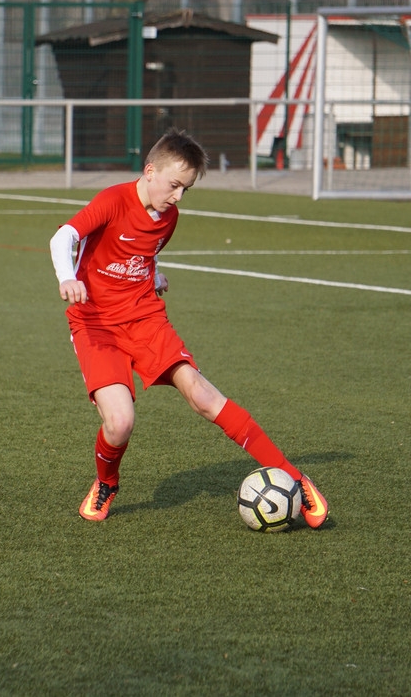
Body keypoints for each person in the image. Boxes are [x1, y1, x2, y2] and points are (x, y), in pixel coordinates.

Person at [48, 128, 328, 528]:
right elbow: (63, 237)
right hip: (95, 323)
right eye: (174, 185)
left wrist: (153, 274)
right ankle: (106, 483)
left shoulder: (169, 218)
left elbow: (143, 252)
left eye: (186, 189)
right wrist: (67, 277)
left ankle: (297, 481)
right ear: (150, 171)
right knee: (120, 422)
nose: (178, 196)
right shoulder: (113, 200)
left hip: (145, 318)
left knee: (203, 395)